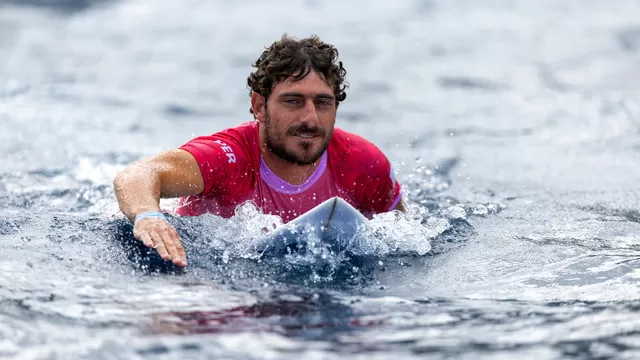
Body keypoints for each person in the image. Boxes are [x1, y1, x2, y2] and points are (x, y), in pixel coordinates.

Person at [113, 34, 405, 268]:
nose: (311, 118)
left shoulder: (363, 162)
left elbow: (406, 237)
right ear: (259, 106)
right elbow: (139, 174)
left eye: (323, 103)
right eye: (293, 101)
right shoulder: (228, 157)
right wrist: (148, 216)